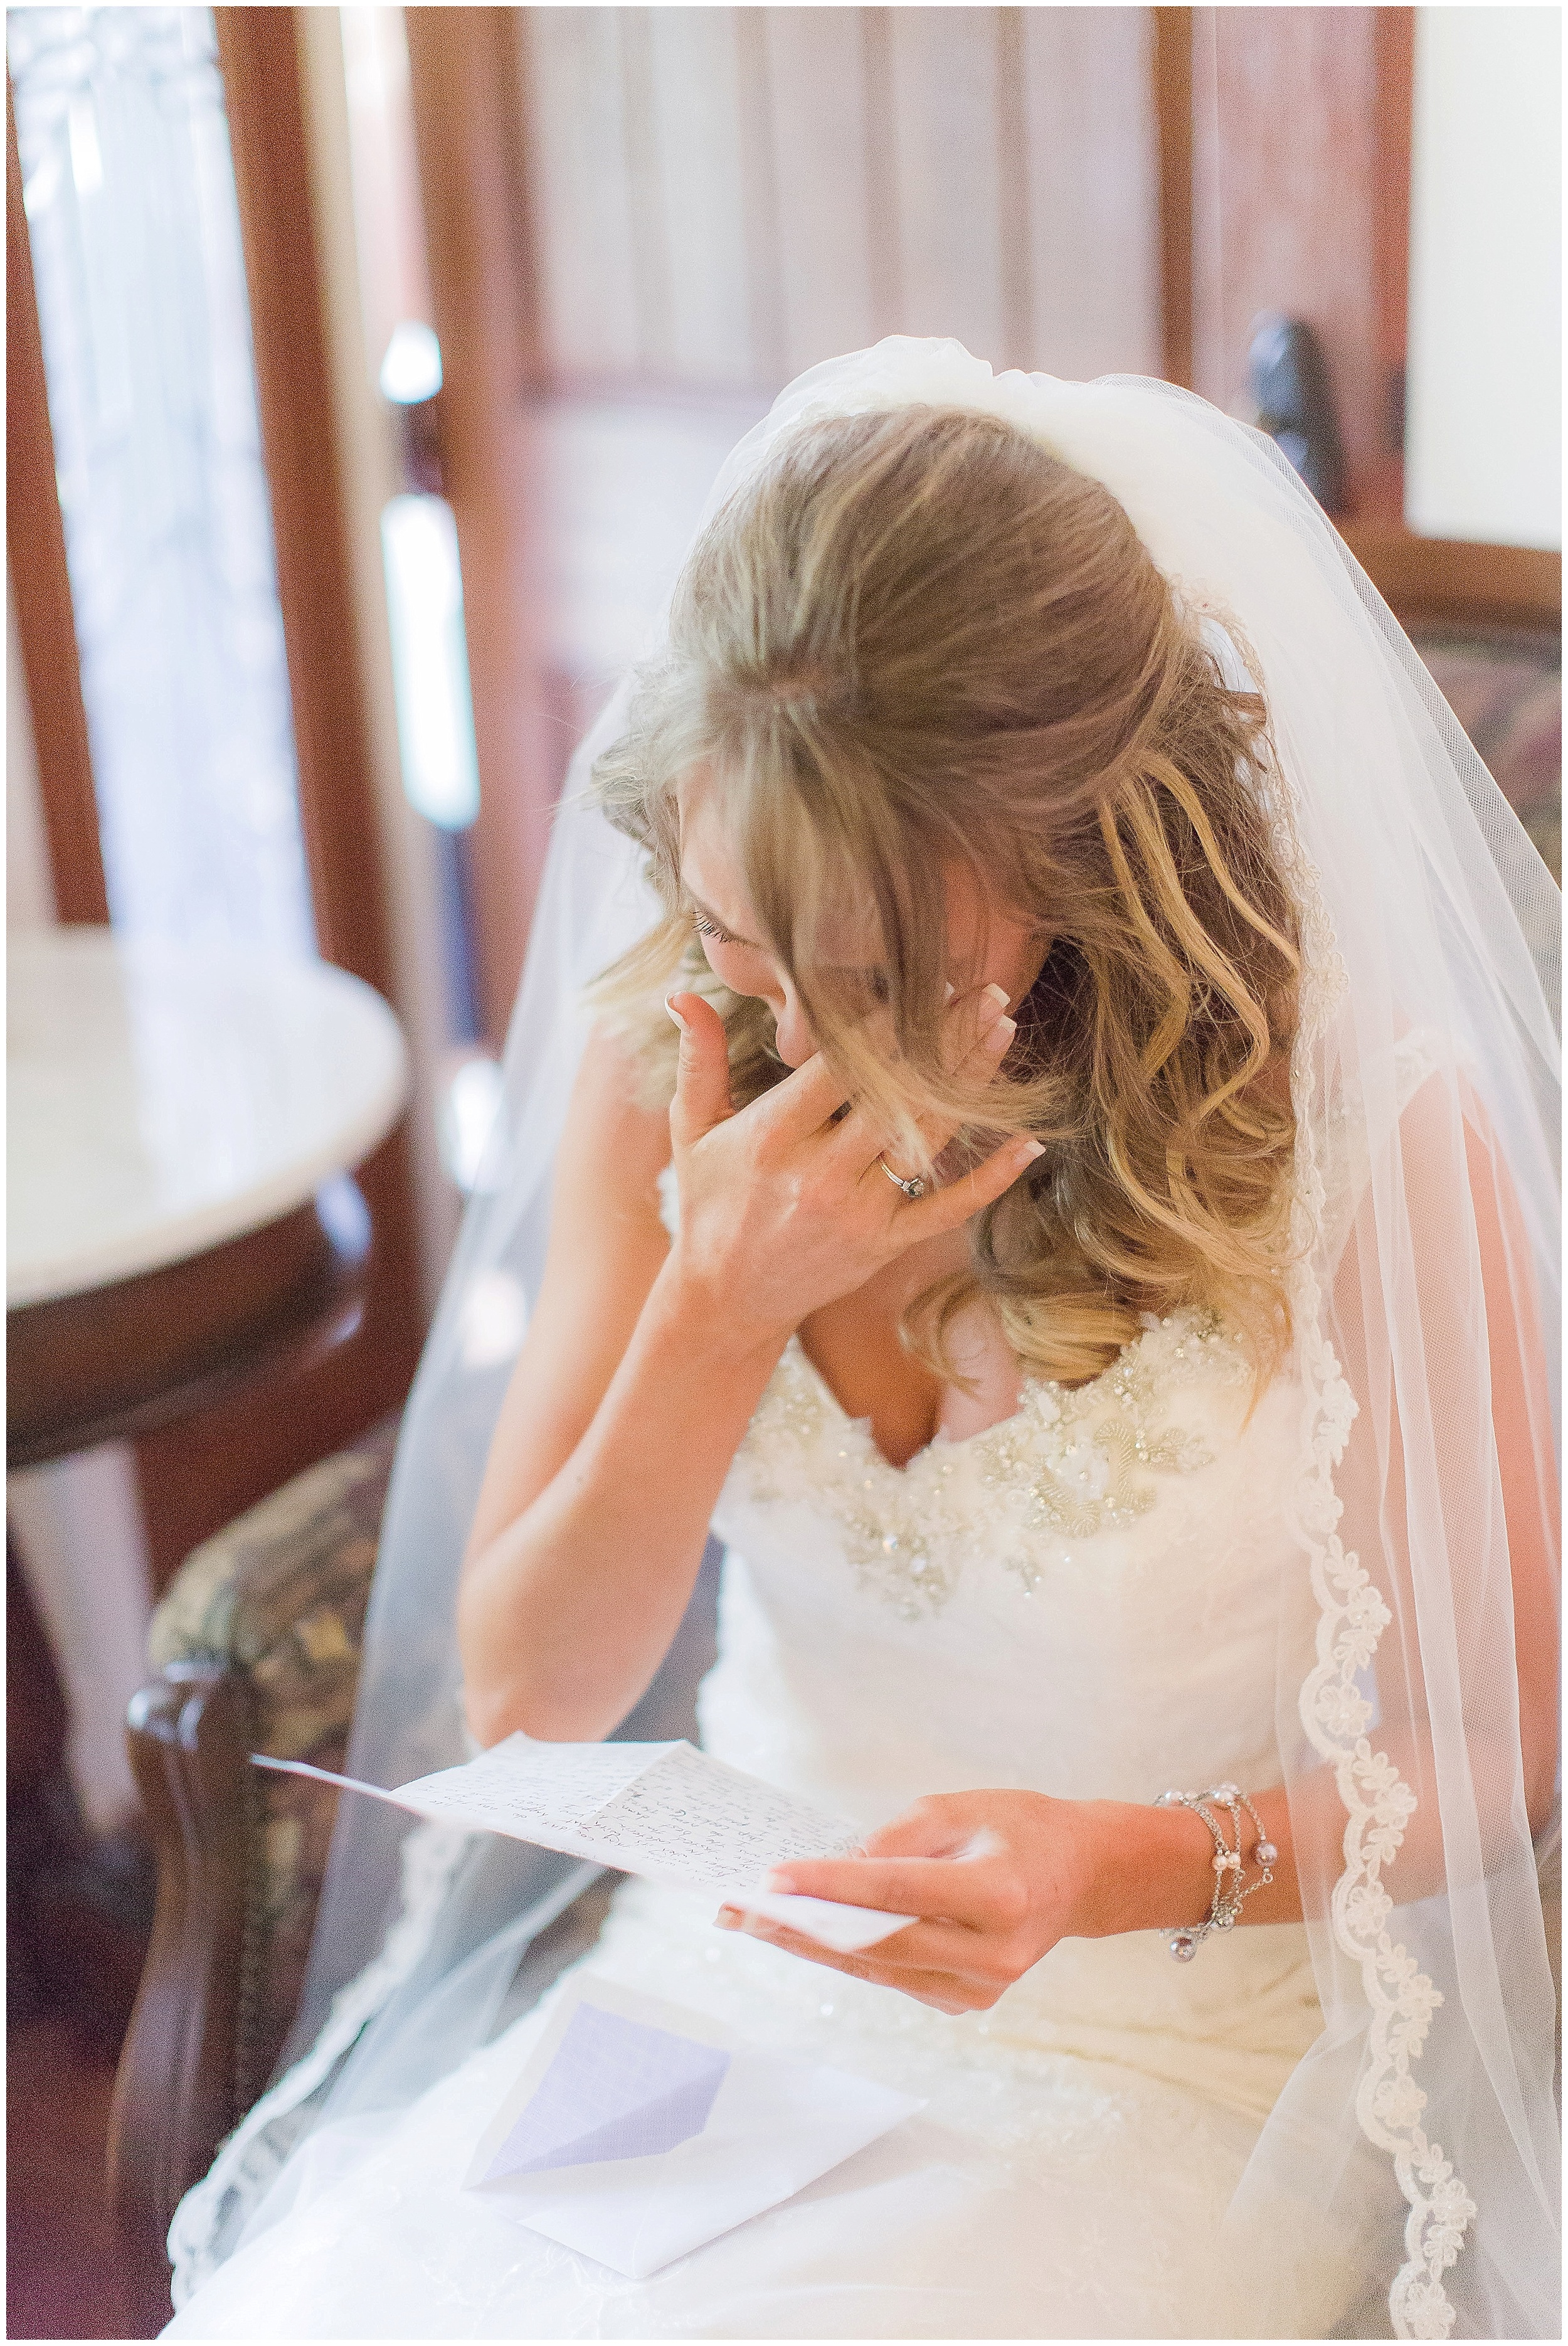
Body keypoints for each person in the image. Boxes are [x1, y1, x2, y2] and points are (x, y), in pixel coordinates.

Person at [164, 342, 1559, 2341]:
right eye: (744, 933)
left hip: (1170, 2053)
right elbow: (529, 1692)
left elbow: (1495, 1758)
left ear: (1075, 869)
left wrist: (1125, 1859)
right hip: (722, 1989)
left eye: (876, 963)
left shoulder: (1352, 1126)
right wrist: (710, 1315)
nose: (795, 1026)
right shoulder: (667, 1060)